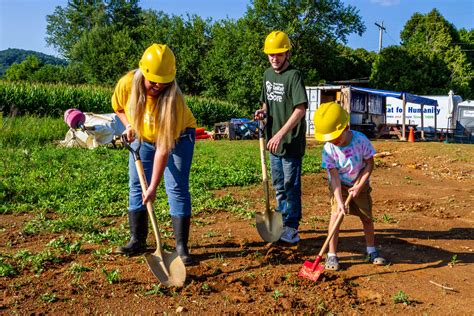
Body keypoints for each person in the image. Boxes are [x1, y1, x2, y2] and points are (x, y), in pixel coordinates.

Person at [112, 43, 197, 265]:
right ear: (143, 73)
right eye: (154, 81)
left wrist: (153, 187)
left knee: (176, 187)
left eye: (164, 81)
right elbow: (119, 107)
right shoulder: (127, 84)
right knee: (135, 184)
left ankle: (181, 247)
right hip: (143, 135)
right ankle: (137, 239)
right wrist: (129, 125)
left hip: (178, 137)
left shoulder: (173, 101)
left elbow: (163, 148)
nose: (158, 86)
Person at [313, 101, 387, 270]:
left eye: (335, 138)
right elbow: (334, 178)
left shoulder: (360, 140)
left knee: (366, 218)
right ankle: (331, 255)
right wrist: (339, 201)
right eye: (329, 139)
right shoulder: (329, 149)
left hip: (360, 184)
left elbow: (370, 164)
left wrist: (360, 185)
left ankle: (371, 250)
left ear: (346, 127)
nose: (333, 141)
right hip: (340, 187)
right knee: (335, 218)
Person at [255, 31, 308, 244]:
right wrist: (262, 113)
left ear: (287, 53)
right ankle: (280, 222)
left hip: (290, 141)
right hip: (273, 142)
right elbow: (266, 103)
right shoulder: (267, 74)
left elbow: (300, 109)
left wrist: (280, 133)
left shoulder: (294, 76)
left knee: (290, 185)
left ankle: (292, 227)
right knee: (278, 185)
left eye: (278, 54)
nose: (274, 59)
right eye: (270, 55)